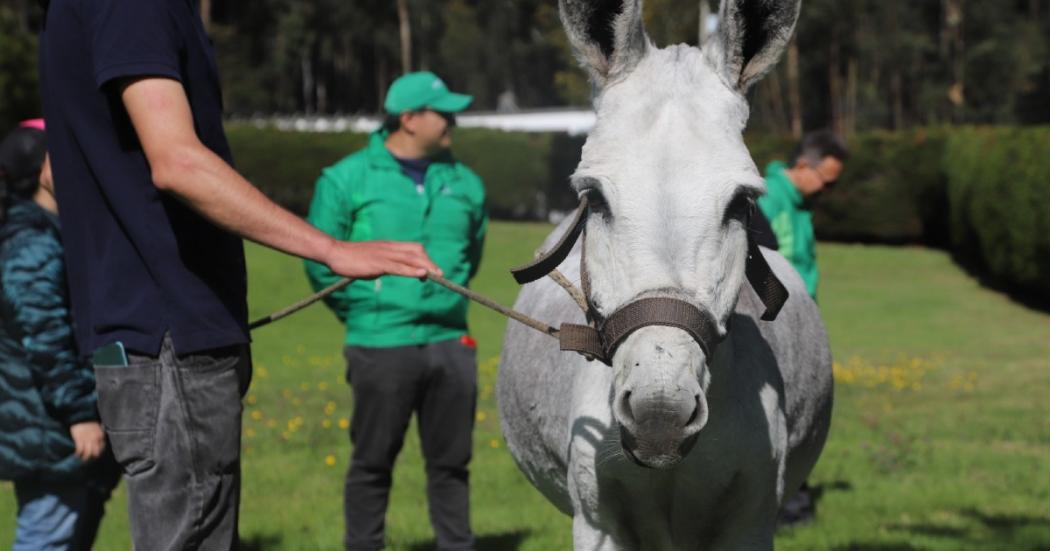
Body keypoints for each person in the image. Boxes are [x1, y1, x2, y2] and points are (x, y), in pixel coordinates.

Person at [38, 1, 439, 548]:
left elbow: (60, 174)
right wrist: (332, 249)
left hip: (149, 337)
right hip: (169, 342)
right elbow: (177, 161)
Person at [305, 71, 487, 551]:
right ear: (408, 119)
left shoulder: (467, 183)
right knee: (372, 464)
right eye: (442, 112)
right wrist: (368, 312)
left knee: (452, 466)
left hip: (452, 343)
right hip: (379, 343)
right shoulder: (345, 179)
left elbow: (473, 254)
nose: (453, 120)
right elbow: (321, 264)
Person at [0, 122, 121, 550]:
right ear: (43, 170)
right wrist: (79, 415)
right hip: (48, 423)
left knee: (68, 529)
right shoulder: (32, 242)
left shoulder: (52, 233)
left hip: (53, 418)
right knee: (46, 535)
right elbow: (45, 336)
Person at [756, 130, 848, 527]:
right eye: (827, 178)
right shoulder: (767, 199)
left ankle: (791, 504)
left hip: (800, 318)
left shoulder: (799, 204)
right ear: (803, 166)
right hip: (776, 323)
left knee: (800, 410)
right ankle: (784, 507)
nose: (829, 187)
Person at [756, 130, 849, 301]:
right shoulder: (766, 197)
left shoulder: (803, 203)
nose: (826, 189)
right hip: (779, 309)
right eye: (827, 182)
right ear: (802, 166)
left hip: (803, 307)